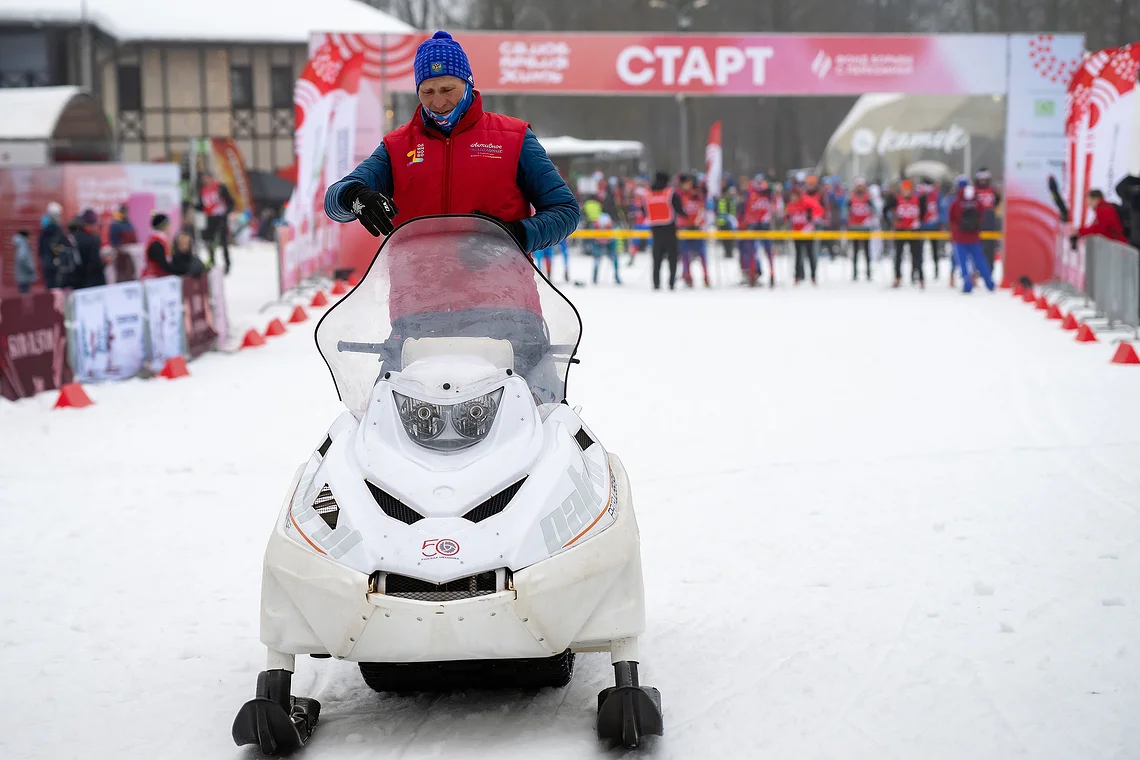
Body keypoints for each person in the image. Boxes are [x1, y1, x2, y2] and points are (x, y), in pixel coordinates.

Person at [322, 31, 579, 398]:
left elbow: (565, 211)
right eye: (427, 91)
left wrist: (512, 236)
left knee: (534, 416)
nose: (438, 101)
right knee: (386, 420)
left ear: (468, 83)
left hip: (506, 312)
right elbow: (335, 200)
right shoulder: (398, 146)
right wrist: (355, 195)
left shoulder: (513, 137)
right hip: (418, 316)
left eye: (448, 89)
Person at [949, 183, 994, 293]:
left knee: (963, 264)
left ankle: (967, 285)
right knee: (980, 261)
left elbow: (951, 219)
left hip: (959, 238)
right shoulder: (977, 202)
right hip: (974, 238)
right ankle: (989, 283)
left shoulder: (956, 203)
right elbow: (981, 216)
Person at [645, 171, 685, 290]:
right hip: (670, 229)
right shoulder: (670, 193)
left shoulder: (648, 194)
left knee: (657, 259)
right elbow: (679, 209)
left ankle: (656, 283)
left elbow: (644, 210)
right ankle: (671, 283)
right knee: (672, 259)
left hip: (655, 230)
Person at [739, 175, 775, 287]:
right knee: (752, 252)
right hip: (753, 225)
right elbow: (746, 209)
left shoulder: (767, 193)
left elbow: (772, 206)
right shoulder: (750, 193)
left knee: (768, 251)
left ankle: (772, 274)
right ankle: (752, 275)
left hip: (764, 225)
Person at [198, 170, 235, 273]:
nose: (205, 180)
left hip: (221, 217)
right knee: (209, 240)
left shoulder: (220, 187)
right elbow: (202, 205)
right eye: (203, 179)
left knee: (223, 242)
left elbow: (230, 202)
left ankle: (227, 263)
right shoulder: (203, 190)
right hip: (210, 218)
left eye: (206, 178)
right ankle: (212, 261)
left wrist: (227, 212)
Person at [890, 179, 924, 289]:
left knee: (916, 255)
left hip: (914, 230)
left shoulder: (917, 199)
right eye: (905, 189)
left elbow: (923, 212)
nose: (906, 192)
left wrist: (919, 222)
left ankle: (919, 277)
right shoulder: (896, 199)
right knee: (898, 255)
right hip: (900, 230)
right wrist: (893, 221)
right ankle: (897, 277)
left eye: (908, 189)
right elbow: (886, 210)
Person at [677, 175, 709, 288]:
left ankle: (706, 276)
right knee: (685, 254)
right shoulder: (679, 195)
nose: (688, 186)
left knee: (702, 254)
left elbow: (701, 209)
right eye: (686, 183)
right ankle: (687, 277)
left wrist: (699, 222)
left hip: (696, 228)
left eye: (690, 183)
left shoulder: (697, 195)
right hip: (685, 228)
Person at [785, 189, 817, 285]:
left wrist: (810, 219)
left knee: (810, 255)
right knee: (798, 255)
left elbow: (815, 213)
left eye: (794, 196)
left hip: (807, 233)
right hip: (797, 234)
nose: (793, 198)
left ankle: (813, 276)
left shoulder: (806, 203)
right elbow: (787, 218)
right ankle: (797, 276)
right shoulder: (790, 206)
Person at [846, 177, 875, 281]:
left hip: (865, 228)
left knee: (867, 251)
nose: (859, 188)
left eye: (861, 186)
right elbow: (845, 211)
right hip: (854, 228)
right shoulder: (851, 198)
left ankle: (868, 273)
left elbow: (875, 210)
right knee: (855, 251)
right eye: (858, 186)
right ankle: (854, 274)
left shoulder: (868, 198)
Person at [974, 168, 1001, 271]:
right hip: (977, 222)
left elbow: (997, 202)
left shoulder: (992, 190)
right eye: (981, 179)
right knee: (978, 248)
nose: (983, 181)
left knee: (990, 248)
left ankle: (989, 269)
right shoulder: (974, 190)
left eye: (984, 179)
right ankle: (977, 269)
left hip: (990, 222)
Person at [37, 201, 66, 289]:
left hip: (46, 261)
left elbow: (40, 247)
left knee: (49, 285)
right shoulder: (56, 230)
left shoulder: (44, 228)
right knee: (55, 285)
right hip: (54, 262)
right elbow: (60, 246)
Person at [108, 205, 139, 282]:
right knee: (122, 276)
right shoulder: (115, 225)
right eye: (125, 212)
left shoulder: (129, 223)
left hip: (131, 255)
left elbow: (134, 238)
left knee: (131, 275)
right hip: (120, 255)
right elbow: (114, 242)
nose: (126, 214)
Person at [141, 213, 176, 279]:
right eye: (169, 225)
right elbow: (164, 265)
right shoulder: (157, 243)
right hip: (153, 279)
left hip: (158, 278)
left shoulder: (159, 240)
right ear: (165, 226)